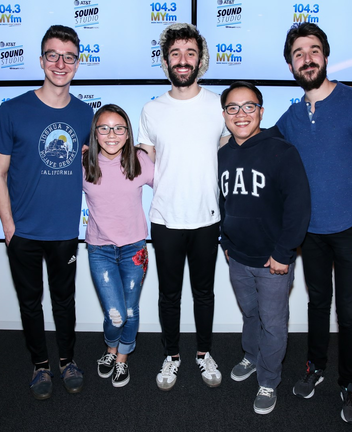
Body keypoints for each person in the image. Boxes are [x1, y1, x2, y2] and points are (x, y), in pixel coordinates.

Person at [276, 23, 352, 424]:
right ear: (291, 65)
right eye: (297, 54)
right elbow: (259, 145)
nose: (306, 59)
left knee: (349, 312)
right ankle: (315, 368)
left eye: (312, 51)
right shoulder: (291, 117)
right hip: (310, 233)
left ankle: (351, 384)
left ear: (325, 56)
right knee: (316, 304)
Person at [0, 25, 93, 400]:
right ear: (41, 60)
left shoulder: (86, 115)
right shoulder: (12, 111)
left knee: (65, 301)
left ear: (77, 64)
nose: (60, 63)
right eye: (52, 55)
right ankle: (40, 367)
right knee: (30, 303)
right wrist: (8, 226)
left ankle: (67, 361)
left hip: (64, 230)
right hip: (24, 233)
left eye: (68, 56)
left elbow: (97, 167)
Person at [137, 22, 230, 391]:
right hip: (165, 219)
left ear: (200, 60)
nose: (183, 59)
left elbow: (230, 156)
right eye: (175, 53)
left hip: (208, 217)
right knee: (169, 294)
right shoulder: (151, 110)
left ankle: (204, 353)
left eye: (190, 52)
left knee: (204, 293)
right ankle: (171, 355)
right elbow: (145, 165)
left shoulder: (218, 105)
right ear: (165, 61)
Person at [218, 81, 310, 414]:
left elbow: (298, 207)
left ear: (261, 110)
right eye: (232, 108)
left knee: (273, 324)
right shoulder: (223, 154)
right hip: (237, 258)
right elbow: (222, 203)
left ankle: (269, 382)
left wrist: (284, 254)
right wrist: (225, 243)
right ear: (225, 114)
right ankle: (251, 355)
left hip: (273, 261)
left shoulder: (282, 151)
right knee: (250, 314)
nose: (240, 114)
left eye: (248, 106)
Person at [82, 104, 154, 388]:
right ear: (95, 133)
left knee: (131, 310)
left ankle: (122, 358)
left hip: (134, 250)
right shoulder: (84, 163)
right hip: (100, 250)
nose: (112, 134)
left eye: (119, 128)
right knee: (115, 313)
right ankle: (110, 348)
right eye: (104, 128)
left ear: (127, 134)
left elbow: (169, 188)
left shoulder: (139, 160)